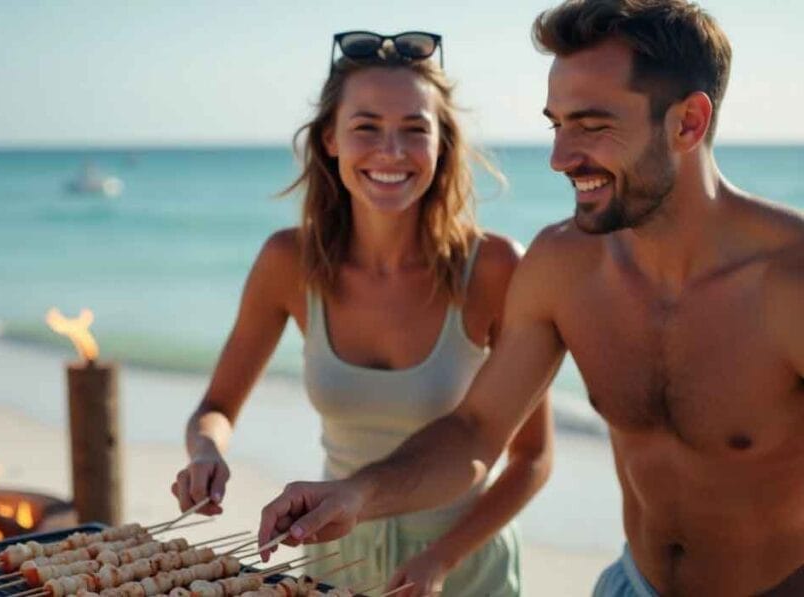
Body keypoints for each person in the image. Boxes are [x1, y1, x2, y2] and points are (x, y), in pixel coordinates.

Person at [257, 2, 804, 596]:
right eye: (557, 124)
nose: (561, 157)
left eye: (592, 126)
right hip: (631, 585)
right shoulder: (564, 265)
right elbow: (475, 429)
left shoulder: (788, 283)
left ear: (687, 124)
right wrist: (358, 493)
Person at [172, 31, 553, 596]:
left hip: (463, 566)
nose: (391, 152)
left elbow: (531, 459)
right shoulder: (288, 262)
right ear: (330, 139)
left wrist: (441, 559)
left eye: (414, 130)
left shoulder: (494, 267)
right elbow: (217, 407)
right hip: (333, 558)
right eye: (366, 127)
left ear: (442, 142)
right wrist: (206, 451)